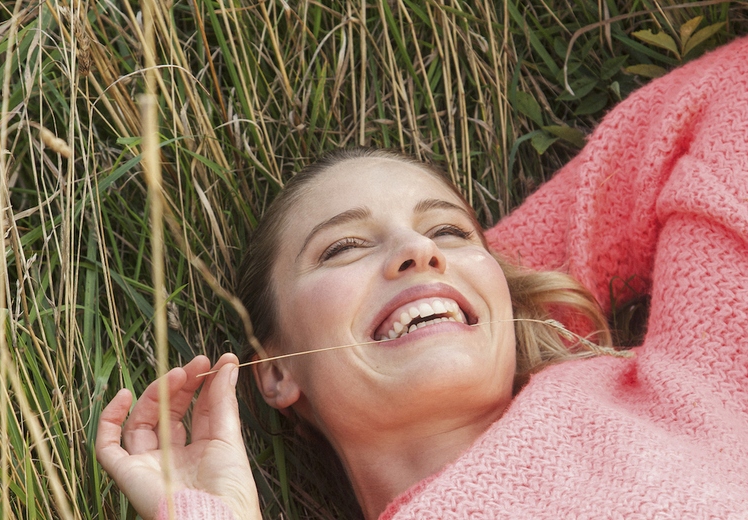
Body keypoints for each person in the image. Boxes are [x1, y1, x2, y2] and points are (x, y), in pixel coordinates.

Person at [95, 35, 748, 519]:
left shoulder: (683, 388)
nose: (417, 250)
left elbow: (735, 89)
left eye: (448, 231)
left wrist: (494, 293)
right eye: (344, 247)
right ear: (277, 371)